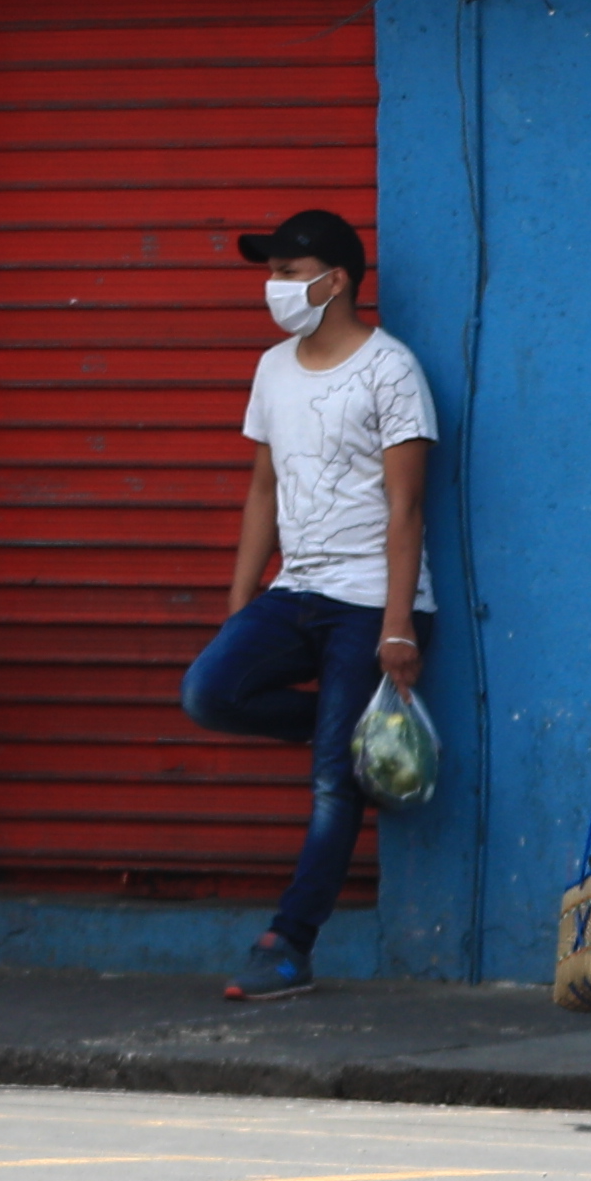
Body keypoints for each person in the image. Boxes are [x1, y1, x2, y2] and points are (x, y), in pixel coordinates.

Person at [186, 206, 437, 1003]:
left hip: (370, 602)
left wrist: (398, 625)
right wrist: (239, 604)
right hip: (295, 591)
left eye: (290, 274)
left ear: (336, 281)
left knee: (333, 788)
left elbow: (408, 509)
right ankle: (345, 737)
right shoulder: (273, 368)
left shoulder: (391, 370)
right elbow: (262, 488)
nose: (276, 288)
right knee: (211, 691)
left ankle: (287, 946)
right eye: (274, 273)